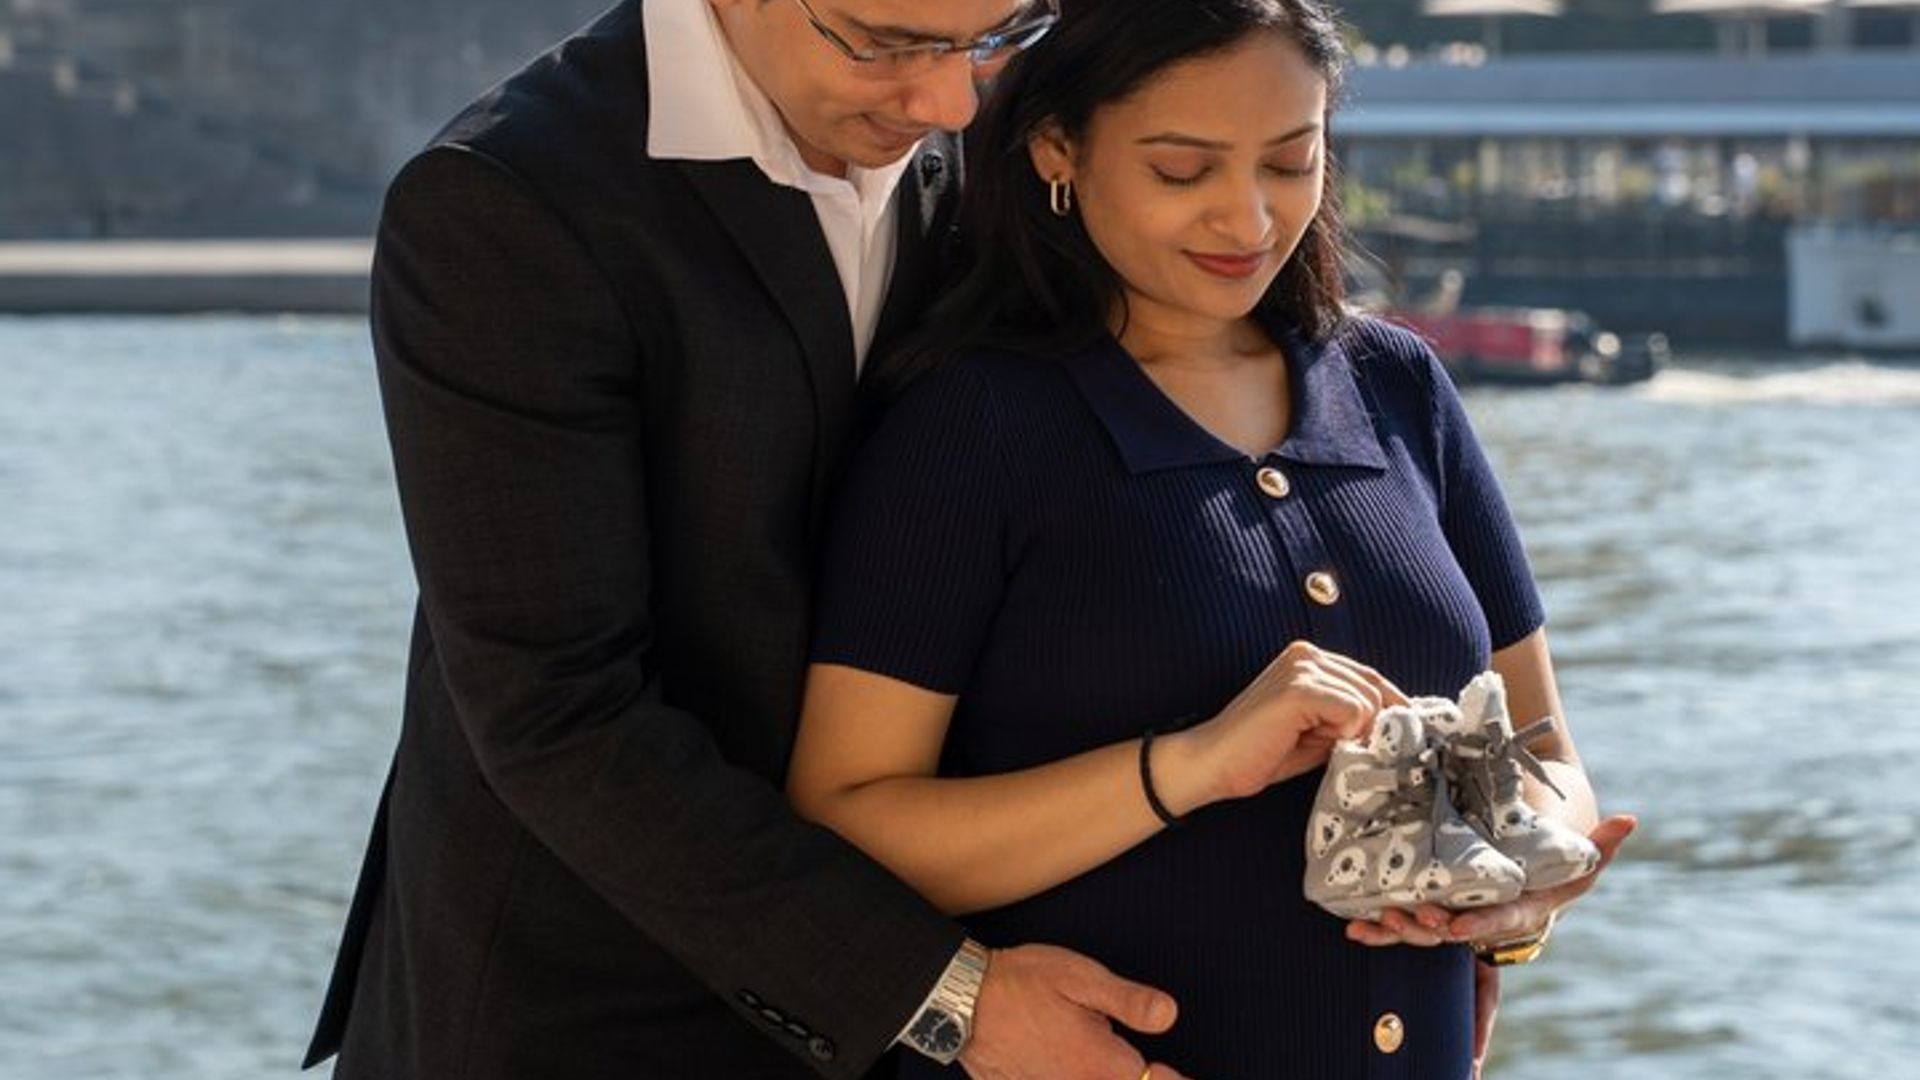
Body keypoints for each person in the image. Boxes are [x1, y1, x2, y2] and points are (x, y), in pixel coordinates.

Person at [302, 2, 1204, 1078]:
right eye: (888, 43)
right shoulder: (504, 204)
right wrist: (949, 993)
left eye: (995, 35)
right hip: (581, 1015)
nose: (951, 102)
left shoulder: (992, 136)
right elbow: (561, 718)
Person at [785, 1, 1637, 1077]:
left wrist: (1518, 880)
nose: (1247, 219)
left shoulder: (1399, 388)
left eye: (1291, 162)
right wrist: (1182, 768)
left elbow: (1546, 752)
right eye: (1183, 171)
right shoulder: (973, 426)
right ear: (1056, 147)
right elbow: (842, 823)